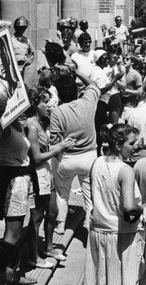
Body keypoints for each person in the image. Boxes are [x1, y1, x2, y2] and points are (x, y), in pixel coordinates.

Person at [82, 123, 143, 285]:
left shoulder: (97, 162)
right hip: (121, 235)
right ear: (118, 145)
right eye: (132, 143)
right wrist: (142, 208)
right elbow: (128, 207)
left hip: (98, 231)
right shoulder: (126, 170)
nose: (135, 147)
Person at [0, 116, 41, 285]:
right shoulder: (1, 126)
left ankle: (14, 275)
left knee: (17, 235)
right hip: (14, 181)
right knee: (12, 236)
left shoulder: (16, 124)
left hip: (25, 179)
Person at [24, 87, 75, 266]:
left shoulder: (42, 122)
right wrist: (59, 148)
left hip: (47, 173)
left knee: (52, 211)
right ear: (35, 104)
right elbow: (36, 158)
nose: (48, 104)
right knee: (37, 217)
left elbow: (46, 150)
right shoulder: (30, 126)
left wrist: (60, 144)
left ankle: (49, 247)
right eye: (44, 101)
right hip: (37, 175)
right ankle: (33, 257)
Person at [48, 65, 99, 233]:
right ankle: (90, 222)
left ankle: (60, 225)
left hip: (67, 159)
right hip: (89, 157)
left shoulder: (57, 111)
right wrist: (76, 71)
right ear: (76, 91)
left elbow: (55, 139)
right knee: (89, 193)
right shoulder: (88, 102)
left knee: (62, 193)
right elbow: (92, 84)